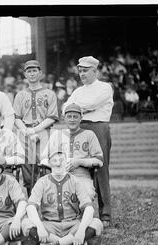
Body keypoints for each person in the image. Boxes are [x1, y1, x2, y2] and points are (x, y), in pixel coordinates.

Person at [63, 56, 114, 228]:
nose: (82, 74)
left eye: (86, 70)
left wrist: (76, 108)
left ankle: (105, 214)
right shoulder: (78, 91)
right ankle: (80, 212)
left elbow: (91, 104)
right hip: (80, 128)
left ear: (95, 71)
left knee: (100, 168)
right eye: (80, 70)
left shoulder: (105, 87)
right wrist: (76, 108)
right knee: (79, 169)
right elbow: (65, 108)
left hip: (99, 128)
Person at [26, 151, 103, 245]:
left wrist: (80, 231)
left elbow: (89, 208)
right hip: (49, 225)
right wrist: (40, 227)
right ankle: (71, 242)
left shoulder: (76, 181)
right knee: (25, 223)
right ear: (49, 163)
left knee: (97, 223)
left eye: (61, 160)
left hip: (73, 224)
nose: (58, 164)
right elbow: (30, 207)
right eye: (54, 161)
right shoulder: (42, 182)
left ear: (66, 162)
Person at [13, 60, 59, 196]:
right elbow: (16, 117)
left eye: (34, 71)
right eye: (29, 71)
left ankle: (47, 199)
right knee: (27, 169)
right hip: (24, 132)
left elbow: (52, 117)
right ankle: (31, 200)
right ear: (25, 74)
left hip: (44, 131)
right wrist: (27, 131)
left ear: (40, 73)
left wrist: (34, 130)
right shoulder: (20, 95)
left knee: (45, 165)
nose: (32, 73)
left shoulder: (49, 93)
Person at [40, 103, 103, 200]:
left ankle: (83, 215)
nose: (72, 119)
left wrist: (79, 161)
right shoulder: (57, 135)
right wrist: (57, 165)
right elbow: (43, 158)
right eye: (69, 116)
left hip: (81, 176)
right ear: (64, 118)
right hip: (58, 176)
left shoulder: (89, 135)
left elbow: (99, 160)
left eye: (75, 117)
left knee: (87, 193)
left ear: (81, 118)